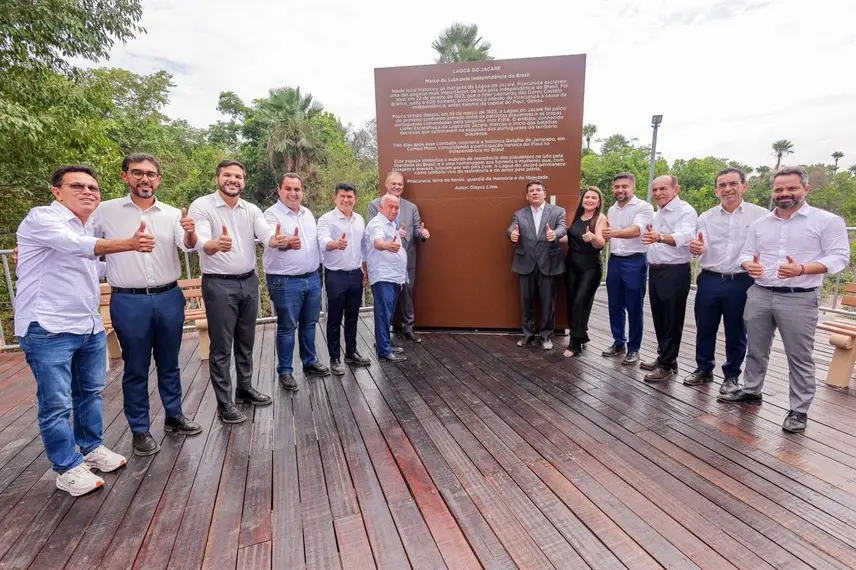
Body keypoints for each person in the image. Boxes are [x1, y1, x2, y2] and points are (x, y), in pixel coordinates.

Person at [15, 165, 152, 496]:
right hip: (48, 327)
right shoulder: (42, 219)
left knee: (89, 392)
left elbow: (94, 264)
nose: (88, 192)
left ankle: (91, 448)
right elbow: (75, 246)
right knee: (56, 403)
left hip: (87, 325)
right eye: (77, 186)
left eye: (93, 188)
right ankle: (65, 467)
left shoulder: (87, 226)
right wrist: (129, 244)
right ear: (57, 192)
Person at [718, 166, 849, 433]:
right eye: (779, 189)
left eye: (791, 188)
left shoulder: (826, 221)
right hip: (760, 293)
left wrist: (803, 269)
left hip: (799, 297)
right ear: (772, 192)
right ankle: (752, 389)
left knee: (799, 356)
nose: (784, 193)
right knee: (756, 349)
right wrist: (748, 265)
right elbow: (746, 254)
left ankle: (799, 409)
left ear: (806, 189)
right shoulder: (760, 224)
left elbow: (839, 257)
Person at [91, 153, 203, 456]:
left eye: (150, 174)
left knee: (170, 363)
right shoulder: (105, 211)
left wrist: (190, 230)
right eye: (137, 172)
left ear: (158, 179)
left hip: (168, 296)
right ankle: (139, 430)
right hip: (129, 300)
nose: (145, 178)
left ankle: (174, 416)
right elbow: (85, 244)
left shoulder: (171, 213)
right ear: (125, 175)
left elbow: (187, 245)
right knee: (135, 367)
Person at [188, 160, 279, 424]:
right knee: (221, 346)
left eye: (238, 176)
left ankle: (244, 388)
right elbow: (201, 241)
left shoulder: (250, 209)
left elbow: (267, 235)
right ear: (217, 178)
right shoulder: (202, 206)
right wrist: (215, 245)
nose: (233, 180)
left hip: (248, 281)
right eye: (227, 175)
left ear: (243, 181)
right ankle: (224, 403)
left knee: (246, 341)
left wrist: (279, 240)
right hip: (219, 284)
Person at [685, 168, 768, 393]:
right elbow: (701, 244)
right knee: (705, 327)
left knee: (736, 330)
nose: (727, 189)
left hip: (741, 281)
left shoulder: (760, 215)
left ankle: (731, 375)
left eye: (732, 184)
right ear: (716, 191)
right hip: (710, 279)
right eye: (722, 185)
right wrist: (698, 247)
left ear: (744, 187)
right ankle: (704, 368)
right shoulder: (706, 217)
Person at [263, 173, 330, 390]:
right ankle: (285, 370)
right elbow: (273, 240)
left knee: (309, 323)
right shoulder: (271, 215)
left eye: (297, 189)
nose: (293, 193)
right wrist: (284, 243)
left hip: (311, 277)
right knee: (287, 326)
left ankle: (309, 362)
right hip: (285, 281)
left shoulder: (307, 213)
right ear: (279, 190)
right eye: (289, 189)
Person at [639, 175, 698, 381]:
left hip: (675, 271)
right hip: (655, 271)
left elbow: (687, 236)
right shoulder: (658, 213)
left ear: (676, 188)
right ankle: (665, 357)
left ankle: (666, 364)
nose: (658, 193)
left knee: (672, 318)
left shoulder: (686, 211)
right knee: (660, 317)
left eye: (663, 189)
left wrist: (660, 237)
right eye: (654, 190)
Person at [366, 171, 430, 343]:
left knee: (406, 295)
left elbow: (417, 230)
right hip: (384, 263)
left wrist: (423, 233)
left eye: (400, 184)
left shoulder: (411, 207)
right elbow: (373, 230)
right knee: (385, 301)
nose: (396, 186)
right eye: (393, 183)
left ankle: (408, 328)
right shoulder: (374, 205)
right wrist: (394, 234)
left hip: (406, 260)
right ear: (386, 184)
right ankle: (383, 338)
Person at [317, 182, 371, 376]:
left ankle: (351, 352)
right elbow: (322, 241)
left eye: (350, 197)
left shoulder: (359, 219)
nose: (346, 200)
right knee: (334, 318)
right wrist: (334, 243)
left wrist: (364, 268)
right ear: (335, 198)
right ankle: (334, 358)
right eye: (342, 196)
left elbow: (363, 246)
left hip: (355, 274)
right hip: (336, 275)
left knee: (352, 316)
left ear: (355, 199)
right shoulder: (326, 219)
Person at [601, 173, 654, 365]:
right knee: (614, 304)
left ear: (633, 188)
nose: (620, 190)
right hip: (615, 260)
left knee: (634, 306)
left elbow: (637, 230)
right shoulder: (612, 209)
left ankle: (634, 349)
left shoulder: (644, 207)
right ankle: (618, 342)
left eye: (624, 186)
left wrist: (613, 233)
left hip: (635, 260)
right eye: (617, 186)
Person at [507, 180, 567, 350]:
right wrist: (512, 234)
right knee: (526, 302)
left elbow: (563, 228)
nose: (535, 192)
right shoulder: (519, 214)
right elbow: (511, 228)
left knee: (548, 302)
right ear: (527, 196)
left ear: (544, 193)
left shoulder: (557, 211)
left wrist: (554, 234)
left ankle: (546, 335)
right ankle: (528, 335)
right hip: (525, 264)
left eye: (538, 190)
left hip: (548, 263)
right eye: (531, 191)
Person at [560, 186, 607, 357]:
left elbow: (601, 242)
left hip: (590, 267)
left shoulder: (600, 218)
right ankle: (581, 335)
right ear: (582, 200)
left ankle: (575, 342)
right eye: (587, 197)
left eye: (593, 198)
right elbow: (571, 237)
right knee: (572, 301)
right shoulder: (577, 216)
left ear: (598, 202)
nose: (589, 200)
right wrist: (554, 237)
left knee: (580, 301)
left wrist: (593, 237)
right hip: (572, 265)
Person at [364, 194, 408, 362]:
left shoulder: (390, 224)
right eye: (391, 206)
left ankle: (384, 344)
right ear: (381, 207)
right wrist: (386, 245)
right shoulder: (377, 223)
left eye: (396, 207)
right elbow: (377, 242)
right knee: (383, 313)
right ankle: (384, 350)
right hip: (383, 276)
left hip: (393, 277)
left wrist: (400, 278)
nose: (394, 210)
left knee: (387, 313)